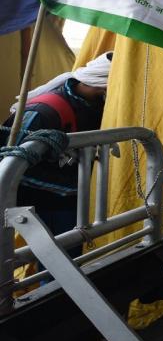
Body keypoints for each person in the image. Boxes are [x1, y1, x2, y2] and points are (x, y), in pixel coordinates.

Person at [4, 52, 112, 239]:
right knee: (62, 247)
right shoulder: (43, 112)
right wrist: (74, 187)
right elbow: (12, 164)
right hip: (47, 202)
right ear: (102, 87)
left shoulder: (96, 105)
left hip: (77, 197)